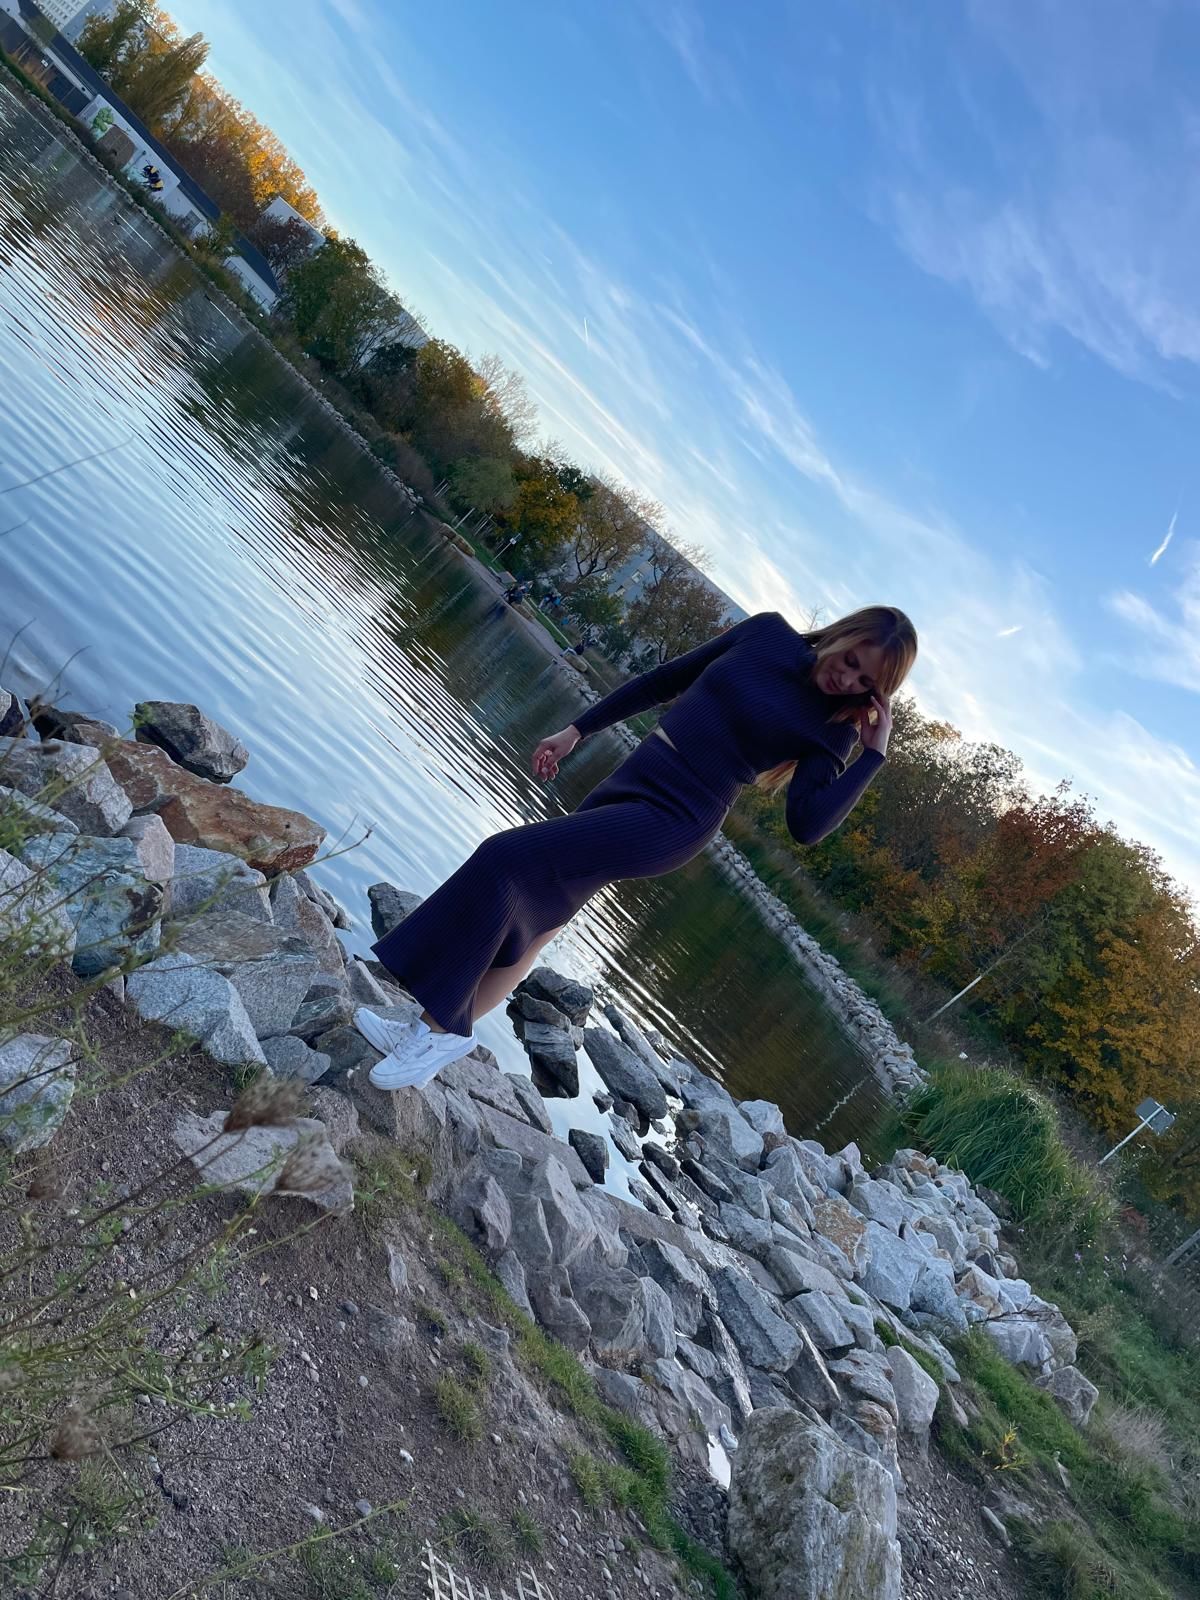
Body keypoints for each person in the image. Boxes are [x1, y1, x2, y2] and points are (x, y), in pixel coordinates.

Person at [358, 605, 916, 1088]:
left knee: (505, 857)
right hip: (636, 777)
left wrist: (873, 755)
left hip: (677, 818)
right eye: (850, 661)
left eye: (864, 682)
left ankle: (443, 1030)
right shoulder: (766, 633)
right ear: (841, 635)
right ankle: (430, 1034)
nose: (847, 680)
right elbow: (663, 681)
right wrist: (577, 730)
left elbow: (808, 825)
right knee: (545, 918)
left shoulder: (833, 727)